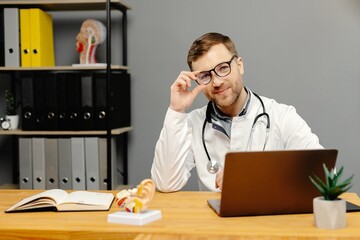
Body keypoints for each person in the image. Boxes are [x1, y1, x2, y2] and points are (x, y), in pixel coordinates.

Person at [151, 32, 322, 192]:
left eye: (223, 68)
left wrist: (252, 175)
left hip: (269, 220)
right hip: (215, 222)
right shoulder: (192, 123)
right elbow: (166, 183)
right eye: (205, 76)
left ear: (239, 65)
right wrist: (177, 111)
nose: (216, 82)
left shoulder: (281, 116)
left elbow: (323, 175)